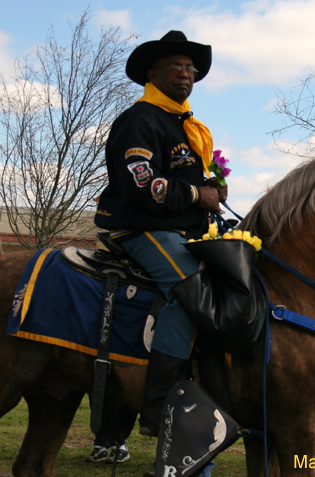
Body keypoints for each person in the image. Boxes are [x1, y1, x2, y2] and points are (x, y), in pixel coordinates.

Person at [94, 31, 226, 442]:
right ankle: (157, 405)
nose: (186, 73)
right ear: (152, 74)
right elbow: (141, 186)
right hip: (143, 228)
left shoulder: (185, 126)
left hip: (182, 231)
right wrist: (197, 195)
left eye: (190, 68)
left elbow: (186, 180)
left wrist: (211, 190)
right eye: (176, 66)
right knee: (191, 293)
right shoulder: (141, 120)